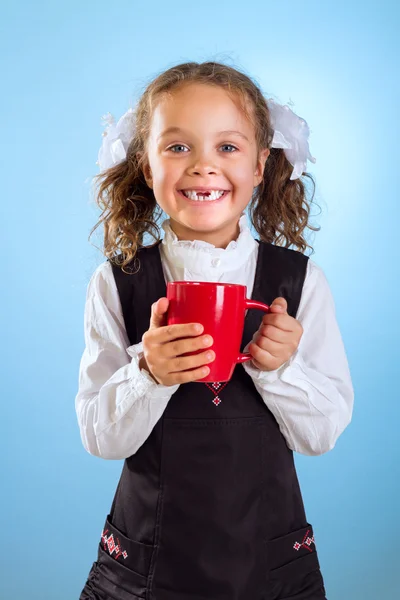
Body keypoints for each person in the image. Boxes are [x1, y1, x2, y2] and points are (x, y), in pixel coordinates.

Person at [75, 61, 354, 600]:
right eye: (178, 147)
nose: (204, 167)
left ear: (260, 165)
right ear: (146, 165)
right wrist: (148, 374)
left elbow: (320, 436)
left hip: (269, 568)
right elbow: (100, 438)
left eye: (227, 147)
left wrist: (280, 370)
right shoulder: (117, 282)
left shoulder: (299, 283)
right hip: (143, 570)